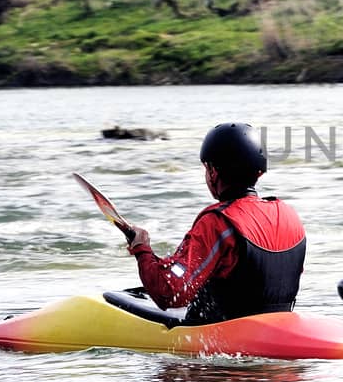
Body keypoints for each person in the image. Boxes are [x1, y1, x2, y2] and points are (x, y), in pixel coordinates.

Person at [124, 122, 306, 323]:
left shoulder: (218, 221)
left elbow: (169, 293)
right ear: (259, 172)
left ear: (213, 172)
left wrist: (143, 250)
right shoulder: (289, 215)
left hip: (227, 334)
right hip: (282, 326)